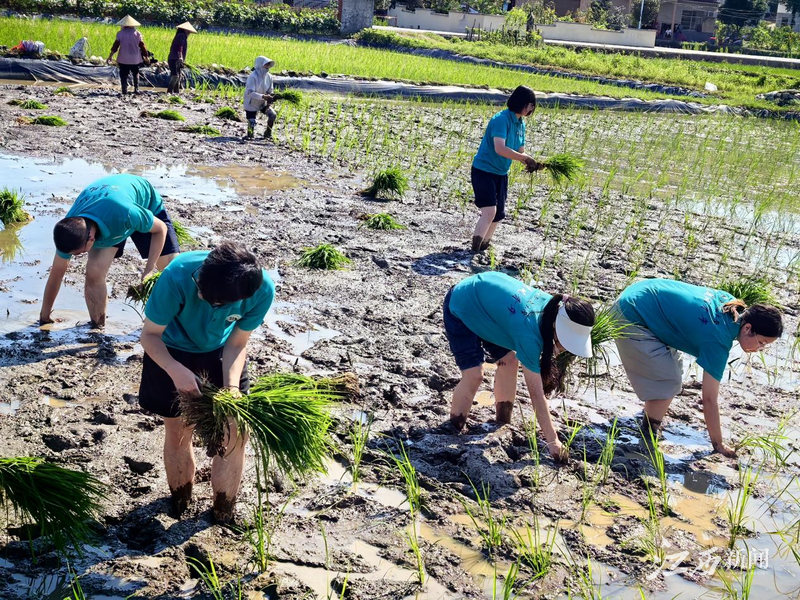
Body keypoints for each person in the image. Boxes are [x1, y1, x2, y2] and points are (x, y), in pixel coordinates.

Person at [138, 242, 275, 523]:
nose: (201, 295)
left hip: (221, 350)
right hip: (170, 348)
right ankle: (180, 502)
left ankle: (223, 512)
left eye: (214, 302)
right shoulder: (176, 275)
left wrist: (231, 388)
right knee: (179, 429)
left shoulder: (260, 291)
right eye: (201, 290)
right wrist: (175, 371)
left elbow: (237, 342)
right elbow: (150, 336)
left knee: (235, 431)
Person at [613, 279, 783, 457]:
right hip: (630, 314)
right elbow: (709, 399)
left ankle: (652, 411)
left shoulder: (732, 306)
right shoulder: (718, 339)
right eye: (761, 342)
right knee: (668, 382)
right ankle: (648, 433)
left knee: (674, 369)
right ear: (748, 328)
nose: (759, 349)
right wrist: (718, 445)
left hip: (639, 292)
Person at [443, 271, 595, 461]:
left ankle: (502, 422)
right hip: (462, 305)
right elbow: (536, 395)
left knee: (510, 360)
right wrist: (553, 441)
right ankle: (453, 428)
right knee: (474, 375)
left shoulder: (553, 310)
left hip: (494, 312)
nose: (567, 348)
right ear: (558, 328)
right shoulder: (529, 333)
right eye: (568, 342)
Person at [40, 174, 180, 328]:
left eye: (79, 253)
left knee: (171, 273)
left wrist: (149, 269)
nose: (76, 256)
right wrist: (44, 316)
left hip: (142, 206)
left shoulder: (125, 212)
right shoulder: (69, 227)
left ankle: (173, 327)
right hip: (108, 217)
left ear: (91, 239)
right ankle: (98, 326)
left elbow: (160, 229)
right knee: (94, 271)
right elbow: (57, 273)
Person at [470, 85, 542, 254]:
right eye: (530, 104)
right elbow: (500, 149)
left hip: (501, 173)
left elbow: (520, 151)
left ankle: (483, 247)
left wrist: (536, 163)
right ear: (520, 102)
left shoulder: (520, 124)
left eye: (533, 105)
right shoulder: (501, 120)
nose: (531, 108)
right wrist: (525, 159)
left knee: (499, 214)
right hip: (484, 171)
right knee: (489, 211)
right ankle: (473, 250)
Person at [107, 15, 149, 95]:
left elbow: (115, 46)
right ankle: (136, 89)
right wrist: (146, 56)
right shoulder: (137, 34)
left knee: (123, 74)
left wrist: (110, 56)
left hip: (123, 58)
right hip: (135, 58)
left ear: (124, 25)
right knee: (135, 73)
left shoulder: (120, 34)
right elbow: (142, 46)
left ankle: (124, 90)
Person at [243, 56, 277, 140]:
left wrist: (270, 98)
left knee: (272, 115)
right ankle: (250, 135)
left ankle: (268, 134)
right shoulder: (252, 77)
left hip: (263, 102)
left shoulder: (269, 77)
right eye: (266, 64)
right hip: (251, 102)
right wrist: (263, 96)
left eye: (269, 64)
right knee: (252, 122)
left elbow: (270, 90)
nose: (268, 66)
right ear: (260, 65)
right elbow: (250, 92)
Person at [167, 22, 196, 94]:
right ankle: (169, 91)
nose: (189, 33)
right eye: (189, 31)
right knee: (175, 75)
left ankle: (176, 91)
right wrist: (180, 57)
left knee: (178, 75)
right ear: (185, 30)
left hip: (174, 58)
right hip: (175, 59)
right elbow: (180, 47)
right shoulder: (181, 36)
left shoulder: (179, 35)